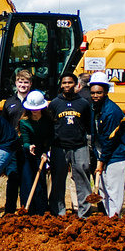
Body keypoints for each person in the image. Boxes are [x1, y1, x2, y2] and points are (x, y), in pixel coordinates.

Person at [88, 72, 125, 217]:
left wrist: (100, 162)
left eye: (99, 93)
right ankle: (109, 216)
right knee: (103, 189)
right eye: (93, 93)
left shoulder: (111, 112)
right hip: (104, 154)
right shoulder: (95, 108)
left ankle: (114, 218)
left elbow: (109, 140)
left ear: (106, 92)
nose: (95, 96)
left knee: (114, 190)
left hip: (116, 155)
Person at [48, 73, 91, 217]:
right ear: (61, 85)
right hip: (59, 146)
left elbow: (88, 125)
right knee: (58, 179)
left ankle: (84, 212)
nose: (67, 85)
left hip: (79, 146)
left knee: (82, 178)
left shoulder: (83, 103)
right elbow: (51, 124)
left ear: (76, 84)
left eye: (70, 82)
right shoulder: (55, 103)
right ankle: (58, 212)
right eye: (64, 83)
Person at [0, 69, 32, 214]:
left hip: (30, 145)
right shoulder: (9, 102)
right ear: (16, 83)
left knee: (27, 179)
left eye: (26, 82)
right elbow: (4, 125)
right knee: (12, 178)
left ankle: (27, 209)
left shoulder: (34, 100)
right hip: (13, 147)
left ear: (30, 84)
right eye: (20, 82)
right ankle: (9, 211)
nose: (23, 85)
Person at [19, 91, 54, 214]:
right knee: (27, 182)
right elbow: (25, 139)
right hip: (28, 155)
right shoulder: (24, 122)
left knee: (40, 183)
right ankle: (27, 211)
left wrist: (45, 151)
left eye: (37, 108)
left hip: (42, 154)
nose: (34, 110)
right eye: (32, 108)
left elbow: (50, 137)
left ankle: (41, 211)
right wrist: (29, 146)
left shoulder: (48, 120)